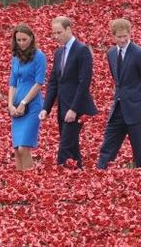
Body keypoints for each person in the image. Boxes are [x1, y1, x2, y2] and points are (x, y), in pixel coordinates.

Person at [96, 18, 141, 169]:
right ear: (113, 36)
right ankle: (100, 174)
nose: (122, 40)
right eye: (119, 37)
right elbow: (117, 80)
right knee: (107, 148)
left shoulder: (140, 53)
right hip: (118, 108)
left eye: (125, 36)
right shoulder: (111, 54)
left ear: (130, 34)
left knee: (140, 152)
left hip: (136, 109)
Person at [40, 16, 97, 169]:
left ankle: (60, 175)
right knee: (71, 145)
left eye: (59, 32)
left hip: (75, 107)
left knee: (65, 145)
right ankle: (79, 172)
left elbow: (84, 82)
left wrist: (74, 109)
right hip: (62, 106)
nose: (56, 36)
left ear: (69, 30)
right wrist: (46, 108)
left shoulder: (81, 50)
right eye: (54, 33)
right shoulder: (59, 52)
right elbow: (54, 81)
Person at [8, 23, 47, 171]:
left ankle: (29, 183)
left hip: (32, 106)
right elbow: (12, 83)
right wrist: (10, 104)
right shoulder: (16, 57)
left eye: (24, 39)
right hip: (17, 106)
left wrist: (24, 102)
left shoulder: (39, 56)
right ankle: (20, 184)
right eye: (18, 40)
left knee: (24, 148)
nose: (21, 43)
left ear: (31, 38)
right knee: (17, 150)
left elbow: (39, 83)